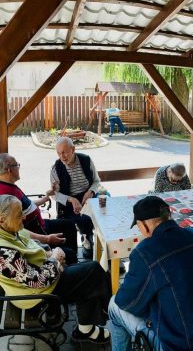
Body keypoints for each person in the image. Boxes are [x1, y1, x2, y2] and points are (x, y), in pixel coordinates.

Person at [108, 196, 193, 351]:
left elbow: (126, 302)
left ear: (144, 226)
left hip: (182, 345)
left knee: (114, 305)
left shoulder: (145, 252)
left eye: (138, 227)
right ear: (168, 215)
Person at [0, 195, 111, 345]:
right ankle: (101, 315)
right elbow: (38, 281)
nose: (24, 216)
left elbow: (28, 246)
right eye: (19, 214)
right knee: (92, 271)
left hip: (38, 277)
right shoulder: (3, 253)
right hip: (35, 294)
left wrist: (49, 254)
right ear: (1, 219)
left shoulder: (7, 229)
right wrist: (55, 259)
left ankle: (91, 321)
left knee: (77, 262)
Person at [0, 154, 78, 264]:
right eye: (17, 165)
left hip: (40, 224)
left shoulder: (9, 185)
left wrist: (45, 199)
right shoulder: (4, 193)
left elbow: (27, 206)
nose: (18, 167)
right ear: (9, 170)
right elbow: (19, 230)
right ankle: (69, 265)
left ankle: (71, 263)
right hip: (37, 232)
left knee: (69, 225)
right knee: (69, 251)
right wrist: (46, 238)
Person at [50, 137, 100, 259]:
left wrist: (91, 192)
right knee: (78, 219)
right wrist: (71, 200)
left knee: (99, 215)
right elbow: (53, 194)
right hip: (68, 199)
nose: (62, 156)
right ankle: (85, 240)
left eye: (65, 152)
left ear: (73, 149)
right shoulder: (56, 167)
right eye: (58, 153)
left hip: (87, 195)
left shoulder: (86, 160)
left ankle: (90, 238)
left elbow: (96, 181)